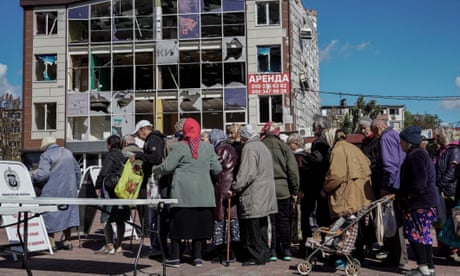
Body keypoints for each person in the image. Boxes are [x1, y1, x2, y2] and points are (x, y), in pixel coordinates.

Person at [153, 118, 222, 268]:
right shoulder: (208, 147)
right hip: (204, 195)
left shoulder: (179, 147)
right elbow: (217, 169)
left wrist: (155, 170)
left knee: (177, 227)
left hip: (182, 194)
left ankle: (176, 258)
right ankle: (197, 258)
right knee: (199, 228)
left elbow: (168, 166)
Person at [322, 128, 375, 269]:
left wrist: (325, 188)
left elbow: (336, 175)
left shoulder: (337, 151)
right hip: (362, 195)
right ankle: (359, 257)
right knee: (358, 228)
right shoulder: (355, 148)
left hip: (347, 195)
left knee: (346, 228)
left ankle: (344, 258)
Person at [231, 124, 278, 266]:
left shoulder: (249, 148)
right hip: (266, 194)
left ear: (245, 135)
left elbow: (247, 173)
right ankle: (263, 254)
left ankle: (255, 256)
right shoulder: (262, 146)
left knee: (253, 228)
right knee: (262, 227)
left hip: (254, 194)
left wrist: (235, 186)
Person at [399, 126, 438, 276]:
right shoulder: (422, 154)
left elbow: (419, 182)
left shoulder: (415, 156)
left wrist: (406, 199)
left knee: (416, 236)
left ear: (408, 142)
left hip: (418, 204)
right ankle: (429, 267)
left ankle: (423, 267)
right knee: (425, 236)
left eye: (401, 141)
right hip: (426, 202)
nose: (400, 144)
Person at [31, 136, 81, 251]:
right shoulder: (68, 152)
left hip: (52, 191)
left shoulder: (46, 155)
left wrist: (33, 175)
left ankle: (51, 242)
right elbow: (77, 169)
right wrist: (76, 186)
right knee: (67, 214)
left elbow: (43, 175)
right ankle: (67, 241)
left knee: (49, 215)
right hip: (69, 191)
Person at [372, 115, 408, 267]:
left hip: (392, 186)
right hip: (399, 184)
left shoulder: (385, 138)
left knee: (392, 223)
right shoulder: (395, 135)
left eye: (374, 131)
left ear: (377, 128)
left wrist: (385, 187)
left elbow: (390, 165)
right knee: (396, 223)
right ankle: (399, 257)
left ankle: (396, 258)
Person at [260, 122, 299, 261]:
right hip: (283, 189)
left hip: (265, 189)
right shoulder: (284, 147)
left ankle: (272, 251)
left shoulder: (261, 145)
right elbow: (293, 171)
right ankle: (287, 250)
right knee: (284, 220)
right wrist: (295, 190)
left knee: (270, 222)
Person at [131, 120, 165, 257]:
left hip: (154, 182)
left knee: (153, 215)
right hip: (155, 180)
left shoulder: (153, 140)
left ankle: (156, 246)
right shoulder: (158, 138)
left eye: (139, 133)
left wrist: (139, 155)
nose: (139, 136)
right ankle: (156, 245)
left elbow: (156, 158)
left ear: (144, 129)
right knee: (154, 215)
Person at [208, 128, 240, 264]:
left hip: (222, 187)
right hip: (228, 185)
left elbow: (216, 168)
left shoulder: (221, 149)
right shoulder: (231, 148)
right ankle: (228, 251)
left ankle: (223, 253)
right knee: (229, 222)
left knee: (221, 220)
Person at [94, 135, 128, 254]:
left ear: (110, 144)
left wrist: (98, 185)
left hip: (110, 189)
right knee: (121, 219)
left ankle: (109, 245)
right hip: (122, 190)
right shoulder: (124, 156)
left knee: (106, 218)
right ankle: (118, 244)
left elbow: (104, 171)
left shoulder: (111, 155)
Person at [433, 124, 460, 260]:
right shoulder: (441, 151)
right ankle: (443, 247)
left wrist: (440, 184)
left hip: (449, 191)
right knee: (440, 220)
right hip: (440, 190)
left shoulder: (454, 150)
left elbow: (452, 172)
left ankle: (454, 249)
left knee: (453, 220)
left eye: (438, 135)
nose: (436, 138)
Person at [286, 133, 315, 258]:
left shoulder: (298, 158)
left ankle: (304, 246)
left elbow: (299, 176)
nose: (287, 145)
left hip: (301, 193)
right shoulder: (307, 156)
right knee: (306, 220)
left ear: (295, 144)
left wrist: (298, 190)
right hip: (309, 192)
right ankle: (307, 246)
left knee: (302, 221)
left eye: (289, 143)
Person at [310, 115, 332, 228]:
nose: (313, 129)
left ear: (319, 127)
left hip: (320, 180)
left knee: (322, 212)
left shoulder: (318, 142)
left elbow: (317, 160)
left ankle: (324, 235)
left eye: (314, 127)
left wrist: (308, 159)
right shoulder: (331, 140)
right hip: (330, 179)